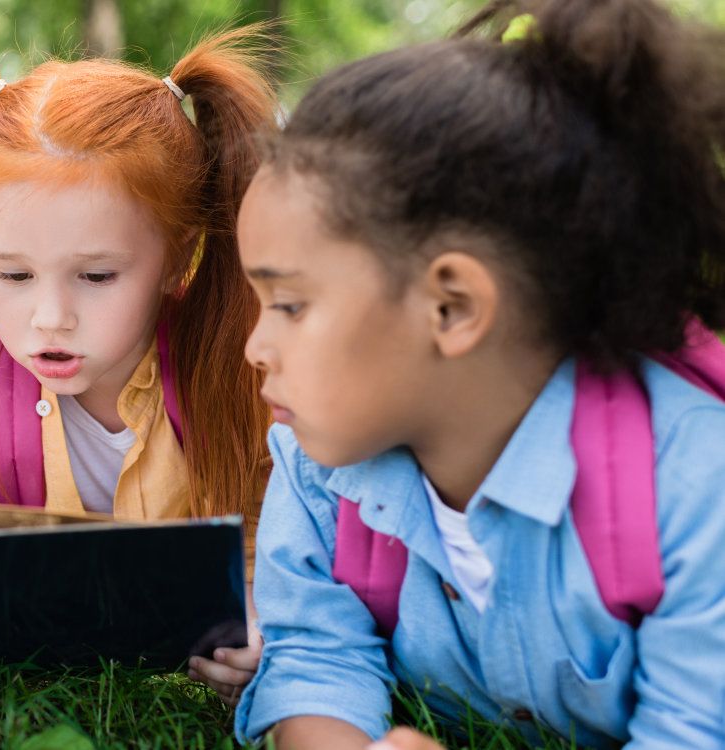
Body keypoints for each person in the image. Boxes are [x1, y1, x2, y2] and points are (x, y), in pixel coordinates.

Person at [231, 0, 725, 747]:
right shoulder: (315, 467)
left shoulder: (693, 487)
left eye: (291, 304)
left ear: (452, 307)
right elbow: (315, 659)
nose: (254, 348)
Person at [0, 31, 277, 700]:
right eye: (15, 274)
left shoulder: (236, 380)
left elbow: (264, 547)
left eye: (95, 275)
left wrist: (258, 625)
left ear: (179, 254)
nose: (50, 316)